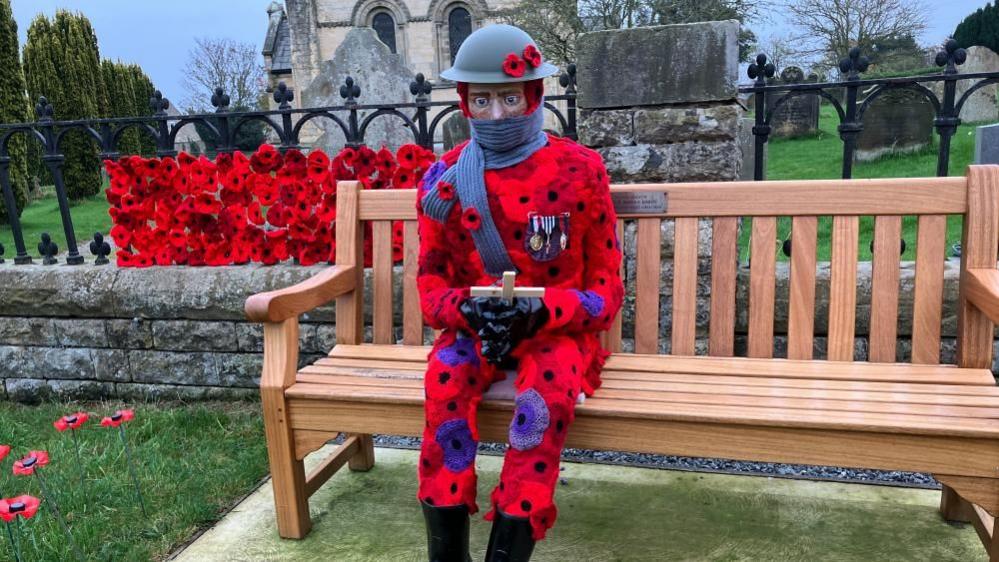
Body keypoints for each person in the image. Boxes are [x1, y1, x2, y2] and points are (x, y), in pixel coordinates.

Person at [415, 24, 624, 562]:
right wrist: (465, 310)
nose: (498, 114)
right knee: (444, 384)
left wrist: (549, 311)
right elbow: (431, 280)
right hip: (475, 328)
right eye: (481, 100)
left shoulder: (580, 169)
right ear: (463, 101)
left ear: (534, 95)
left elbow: (606, 286)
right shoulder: (445, 179)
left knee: (542, 403)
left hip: (555, 333)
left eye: (509, 97)